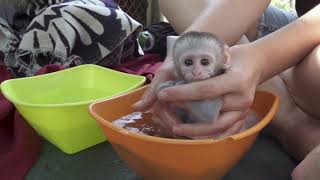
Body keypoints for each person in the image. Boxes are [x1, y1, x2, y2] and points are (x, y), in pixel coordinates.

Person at [133, 0, 320, 179]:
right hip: (303, 23)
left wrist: (260, 58)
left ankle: (296, 127)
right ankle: (285, 103)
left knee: (314, 72)